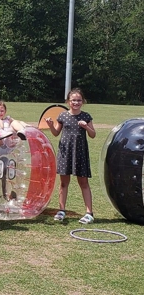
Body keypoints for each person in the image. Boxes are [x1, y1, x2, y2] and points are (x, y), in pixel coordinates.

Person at [45, 88, 96, 224]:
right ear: (68, 101)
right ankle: (61, 210)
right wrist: (50, 125)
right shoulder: (62, 116)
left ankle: (89, 213)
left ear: (83, 102)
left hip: (80, 153)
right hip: (65, 152)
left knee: (83, 183)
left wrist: (86, 127)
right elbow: (56, 133)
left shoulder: (86, 116)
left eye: (79, 100)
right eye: (73, 100)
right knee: (63, 183)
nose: (76, 102)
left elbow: (93, 135)